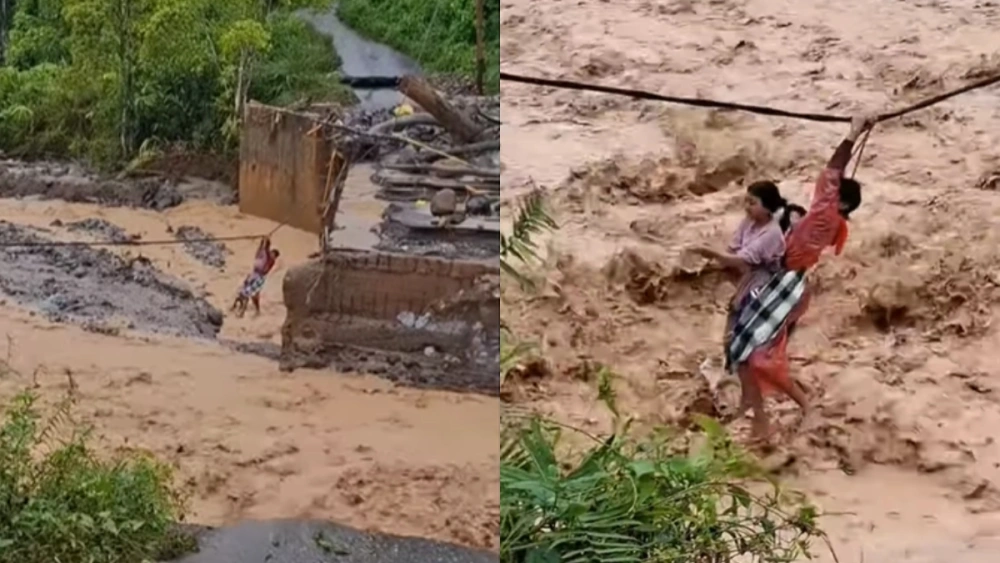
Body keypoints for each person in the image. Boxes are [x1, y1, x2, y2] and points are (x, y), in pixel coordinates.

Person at [722, 113, 876, 442]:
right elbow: (834, 176)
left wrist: (853, 133)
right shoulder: (827, 220)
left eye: (831, 194)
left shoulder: (823, 216)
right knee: (742, 347)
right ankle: (754, 409)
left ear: (840, 201)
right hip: (783, 283)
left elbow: (832, 171)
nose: (822, 193)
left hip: (785, 285)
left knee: (756, 355)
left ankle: (796, 409)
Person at [691, 180, 807, 439]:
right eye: (746, 201)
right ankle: (752, 407)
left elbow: (738, 259)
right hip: (747, 288)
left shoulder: (771, 234)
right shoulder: (750, 223)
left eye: (752, 203)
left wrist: (706, 252)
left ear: (768, 207)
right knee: (734, 349)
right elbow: (734, 251)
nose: (746, 207)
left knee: (751, 358)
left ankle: (769, 415)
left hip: (764, 295)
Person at [232, 236, 280, 318]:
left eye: (273, 254)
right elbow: (260, 251)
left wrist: (267, 242)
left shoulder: (271, 260)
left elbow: (267, 251)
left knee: (250, 294)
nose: (272, 255)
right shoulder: (263, 255)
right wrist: (262, 242)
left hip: (259, 277)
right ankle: (236, 307)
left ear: (275, 256)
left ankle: (244, 312)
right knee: (243, 291)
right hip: (253, 274)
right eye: (272, 253)